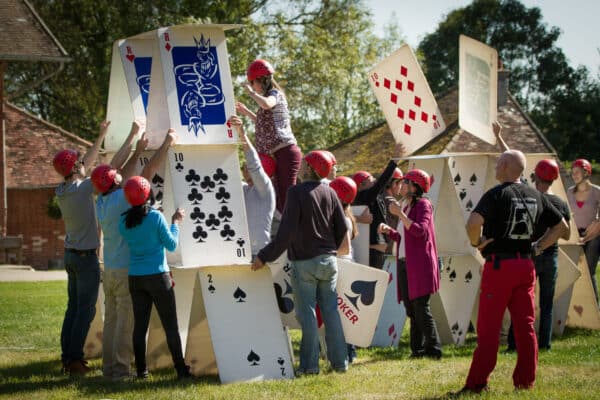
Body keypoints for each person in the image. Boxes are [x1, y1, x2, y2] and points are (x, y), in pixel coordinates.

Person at [452, 150, 568, 395]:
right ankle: (525, 384)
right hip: (526, 265)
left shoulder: (496, 194)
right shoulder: (536, 194)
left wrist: (477, 242)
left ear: (504, 165)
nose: (495, 167)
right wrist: (539, 247)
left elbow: (473, 224)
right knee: (526, 327)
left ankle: (477, 385)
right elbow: (562, 227)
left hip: (499, 267)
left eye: (498, 163)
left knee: (489, 329)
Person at [252, 151, 348, 375]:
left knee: (308, 316)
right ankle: (340, 364)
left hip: (305, 263)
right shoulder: (331, 193)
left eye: (304, 163)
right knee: (331, 313)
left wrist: (264, 256)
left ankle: (309, 366)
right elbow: (342, 230)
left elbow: (285, 233)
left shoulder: (295, 193)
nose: (300, 165)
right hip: (329, 261)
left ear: (309, 169)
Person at [93, 125, 177, 380]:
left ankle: (109, 368)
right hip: (125, 269)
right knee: (124, 323)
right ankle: (119, 371)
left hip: (109, 266)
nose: (118, 175)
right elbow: (145, 172)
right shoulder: (122, 198)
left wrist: (136, 147)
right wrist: (166, 144)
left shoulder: (102, 201)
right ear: (114, 183)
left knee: (111, 321)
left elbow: (118, 173)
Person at [118, 176, 191, 379]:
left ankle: (141, 371)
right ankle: (181, 370)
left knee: (140, 328)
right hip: (158, 276)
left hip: (135, 278)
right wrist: (175, 222)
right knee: (170, 326)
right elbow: (171, 244)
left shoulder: (123, 221)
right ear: (148, 193)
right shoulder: (156, 217)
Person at [53, 120, 109, 375]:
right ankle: (73, 361)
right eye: (78, 162)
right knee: (84, 312)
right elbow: (104, 169)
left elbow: (85, 163)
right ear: (74, 167)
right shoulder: (82, 188)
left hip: (71, 256)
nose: (81, 163)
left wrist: (101, 135)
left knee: (72, 308)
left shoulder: (63, 189)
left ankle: (68, 357)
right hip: (85, 260)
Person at [505, 160, 571, 352]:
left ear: (535, 177)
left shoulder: (530, 198)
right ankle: (544, 345)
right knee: (547, 305)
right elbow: (566, 234)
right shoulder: (561, 203)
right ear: (554, 179)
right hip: (552, 258)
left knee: (521, 302)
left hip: (530, 256)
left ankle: (513, 345)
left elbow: (513, 162)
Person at [378, 169, 442, 360]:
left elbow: (420, 231)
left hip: (420, 265)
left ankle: (434, 349)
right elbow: (405, 237)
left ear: (415, 187)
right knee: (411, 309)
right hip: (406, 264)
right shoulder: (406, 206)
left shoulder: (424, 205)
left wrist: (400, 215)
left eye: (406, 182)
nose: (402, 185)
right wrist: (390, 231)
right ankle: (418, 350)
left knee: (421, 308)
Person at [236, 59, 302, 216]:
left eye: (253, 83)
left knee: (286, 198)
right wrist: (246, 112)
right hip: (276, 155)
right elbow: (263, 122)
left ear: (262, 80)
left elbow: (267, 104)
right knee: (277, 198)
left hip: (285, 152)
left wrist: (251, 94)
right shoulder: (267, 99)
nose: (252, 87)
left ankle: (295, 233)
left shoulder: (275, 95)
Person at [228, 115, 276, 257]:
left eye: (247, 168)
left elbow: (254, 165)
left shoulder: (265, 189)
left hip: (259, 255)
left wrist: (242, 134)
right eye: (244, 168)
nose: (245, 172)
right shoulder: (244, 189)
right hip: (240, 253)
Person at [329, 176, 359, 363]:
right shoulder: (346, 215)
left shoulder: (340, 217)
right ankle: (349, 352)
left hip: (341, 265)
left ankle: (348, 353)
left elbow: (344, 248)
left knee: (341, 315)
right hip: (345, 265)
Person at [352, 160, 398, 269]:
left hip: (374, 249)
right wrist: (393, 163)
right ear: (362, 185)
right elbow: (381, 182)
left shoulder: (371, 197)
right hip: (372, 250)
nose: (375, 181)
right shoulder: (364, 195)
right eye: (371, 180)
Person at [567, 158, 600, 305]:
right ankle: (575, 307)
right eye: (572, 173)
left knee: (589, 271)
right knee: (573, 271)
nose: (574, 175)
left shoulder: (597, 191)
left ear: (586, 172)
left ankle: (595, 310)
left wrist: (595, 225)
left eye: (577, 172)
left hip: (593, 236)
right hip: (575, 236)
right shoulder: (569, 192)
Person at [383, 168, 404, 255]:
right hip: (389, 253)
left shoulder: (379, 198)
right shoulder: (392, 202)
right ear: (394, 184)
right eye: (401, 183)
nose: (401, 187)